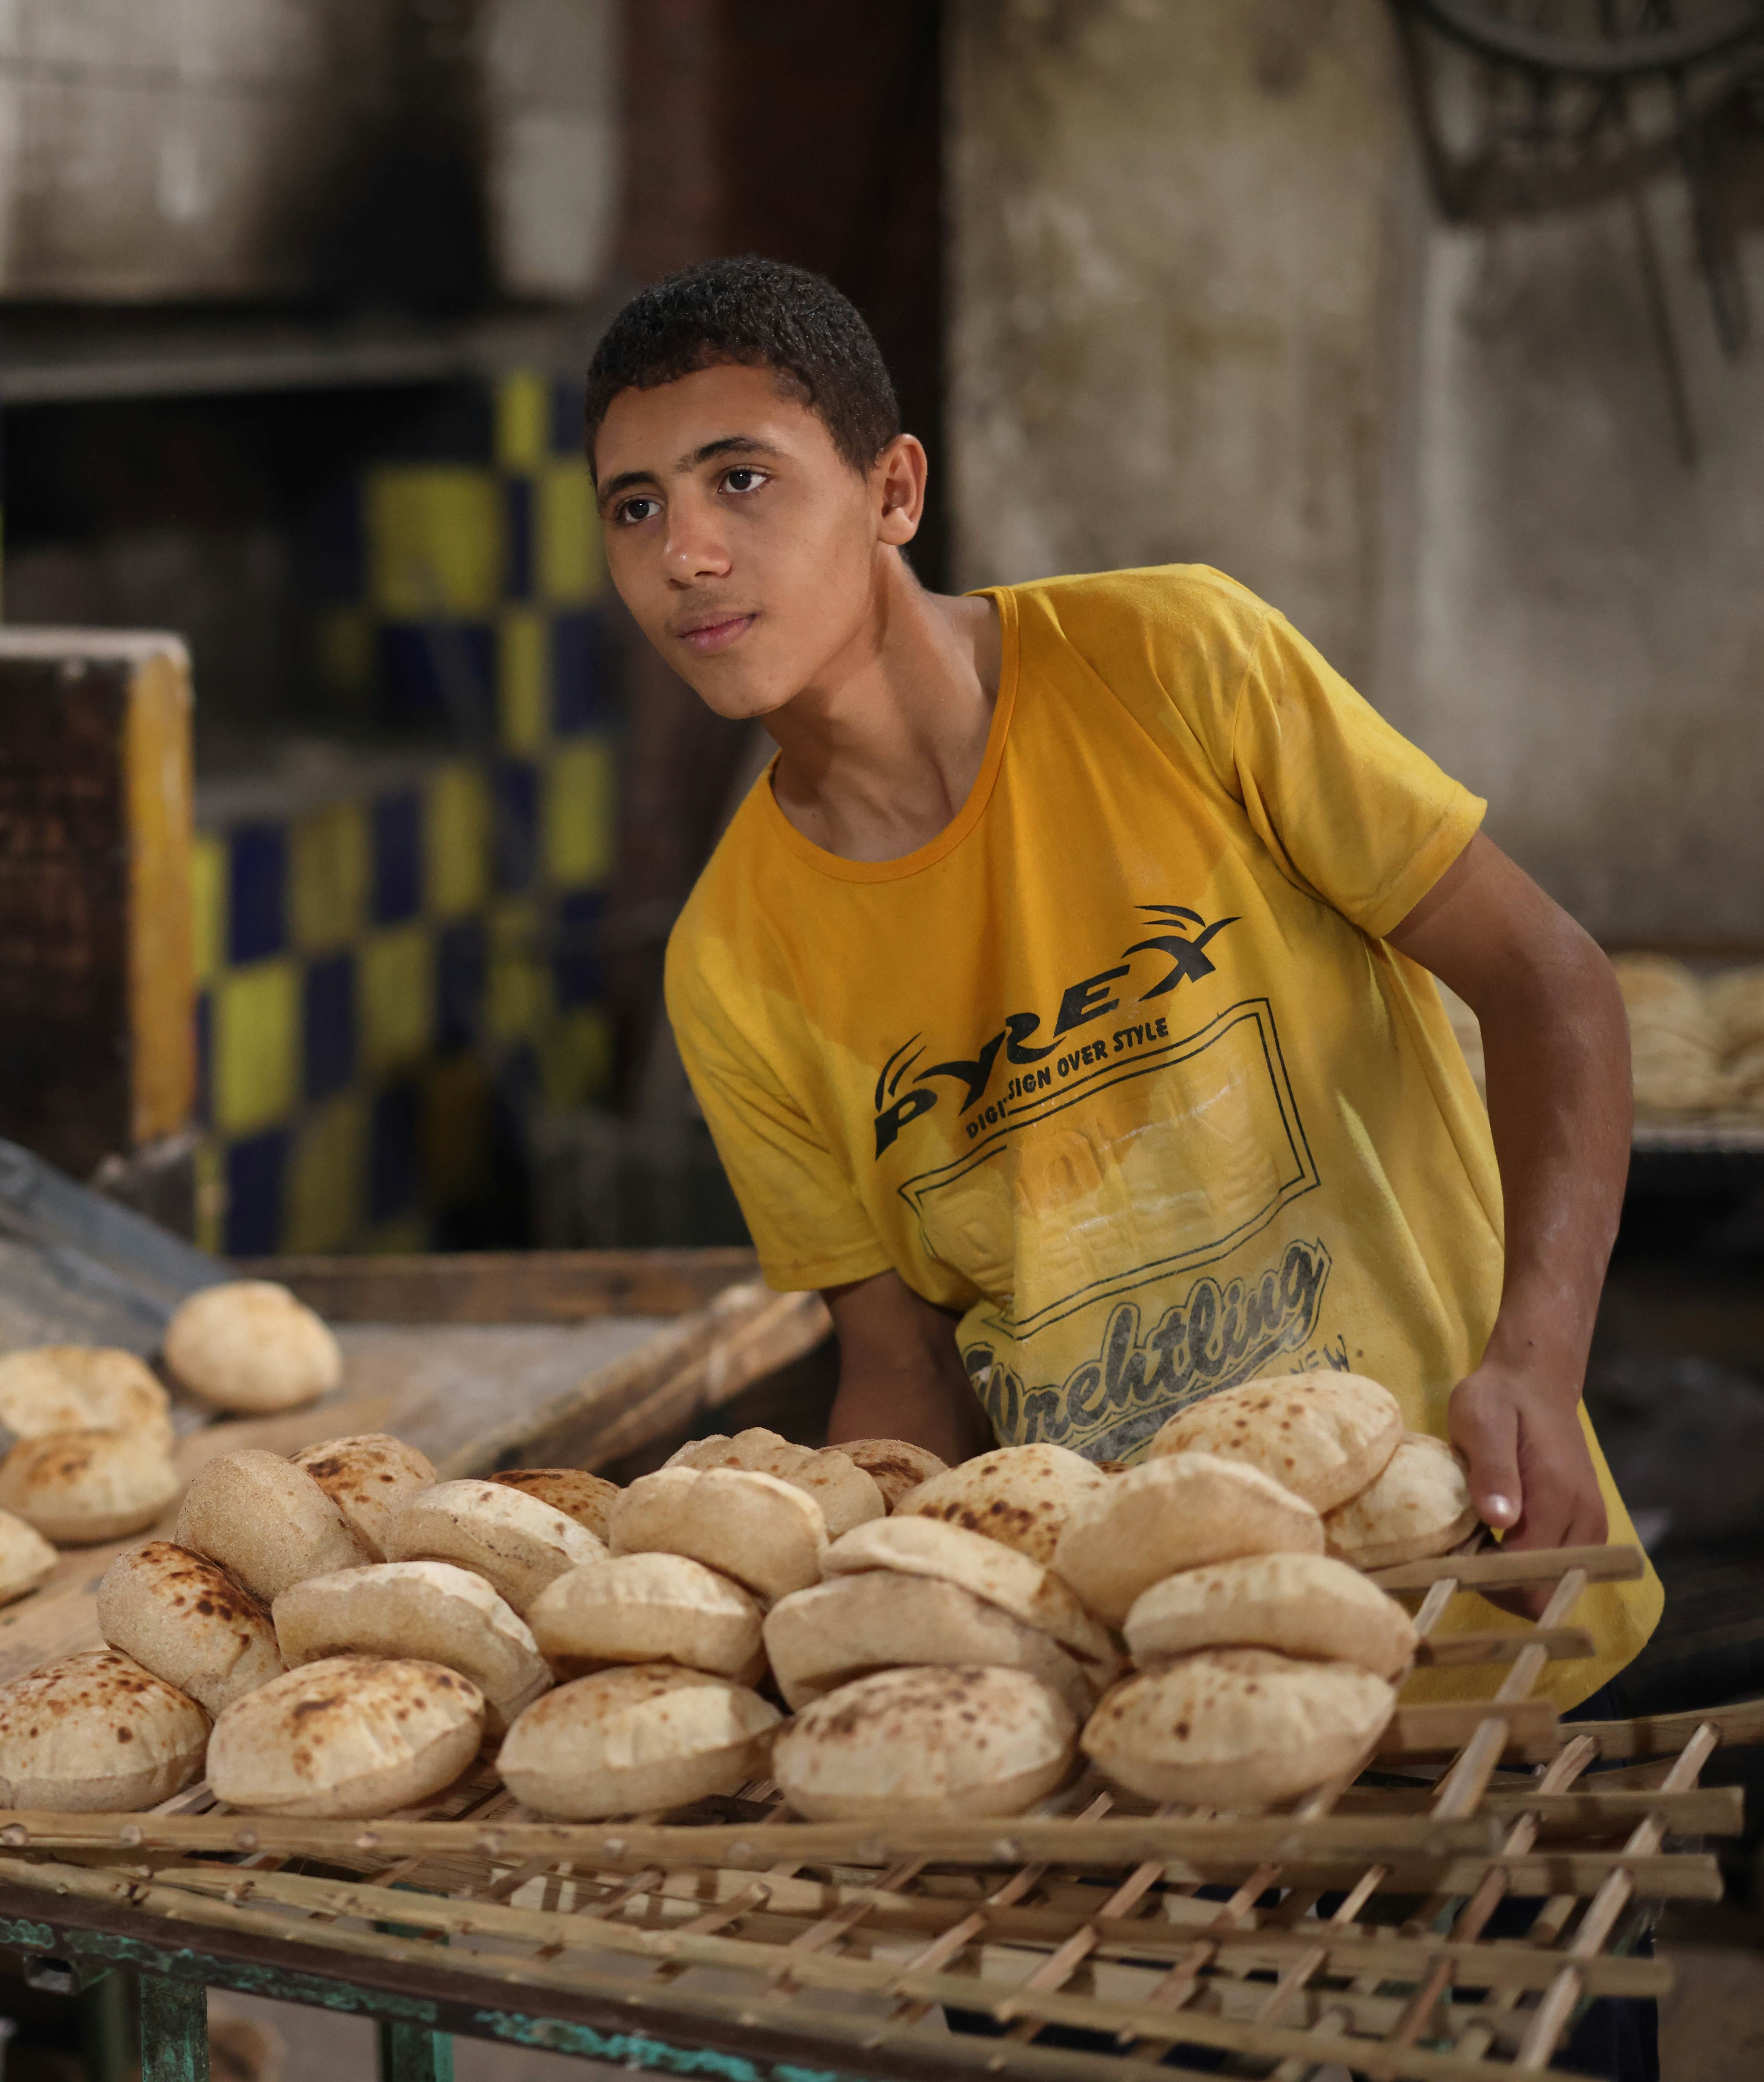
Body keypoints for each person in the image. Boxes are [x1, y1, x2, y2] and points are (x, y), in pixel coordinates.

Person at [597, 257, 1657, 1711]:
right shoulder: (729, 957)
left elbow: (1551, 987)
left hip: (1479, 1603)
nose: (687, 554)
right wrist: (877, 1635)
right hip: (1156, 1707)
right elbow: (900, 1370)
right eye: (636, 506)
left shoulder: (1174, 661)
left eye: (742, 479)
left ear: (894, 493)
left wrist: (1537, 1364)